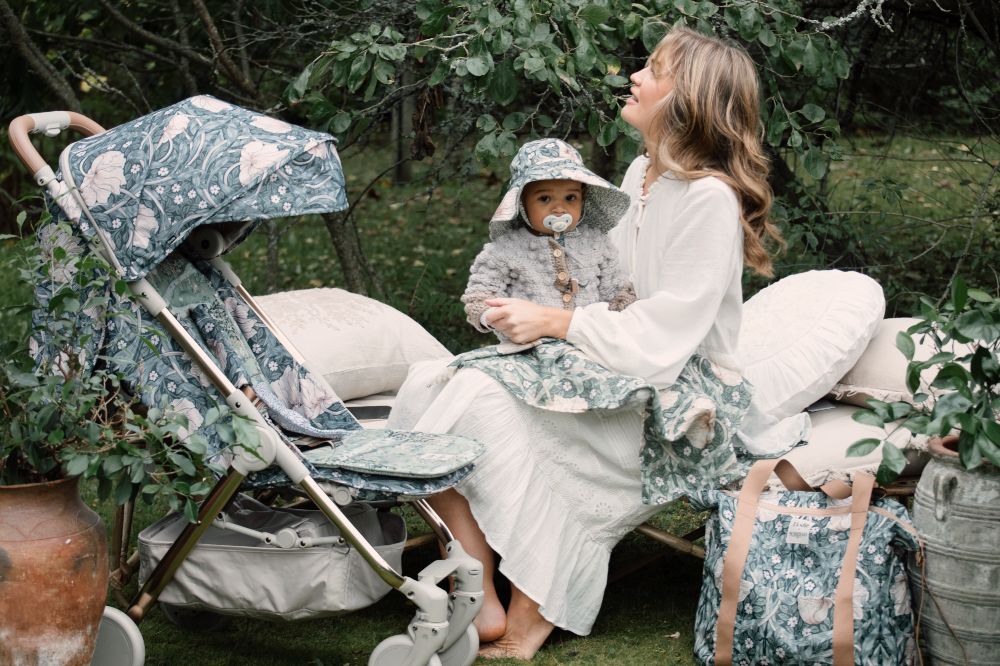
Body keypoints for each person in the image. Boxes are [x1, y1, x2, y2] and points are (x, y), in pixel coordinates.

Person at [387, 26, 803, 660]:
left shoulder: (709, 200)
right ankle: (480, 589)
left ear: (686, 98)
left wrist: (557, 325)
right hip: (608, 357)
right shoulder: (640, 174)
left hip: (682, 385)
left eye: (652, 70)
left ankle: (532, 600)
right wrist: (532, 299)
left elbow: (666, 331)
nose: (634, 76)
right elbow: (606, 286)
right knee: (432, 382)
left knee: (483, 401)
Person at [462, 137, 635, 346]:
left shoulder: (597, 242)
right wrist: (491, 316)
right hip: (528, 346)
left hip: (586, 341)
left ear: (583, 198)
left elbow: (614, 290)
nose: (559, 208)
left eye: (570, 198)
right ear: (522, 203)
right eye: (544, 199)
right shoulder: (505, 249)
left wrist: (622, 315)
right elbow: (480, 295)